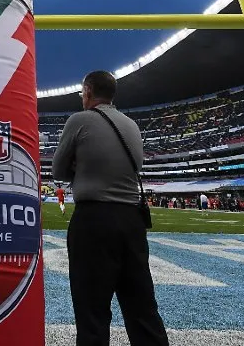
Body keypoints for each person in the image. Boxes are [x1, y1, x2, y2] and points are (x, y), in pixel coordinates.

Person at [52, 70, 169, 346]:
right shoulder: (131, 125)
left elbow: (58, 169)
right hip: (131, 221)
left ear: (88, 91)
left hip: (93, 219)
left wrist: (82, 168)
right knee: (141, 307)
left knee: (92, 310)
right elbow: (135, 167)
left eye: (83, 92)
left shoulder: (79, 120)